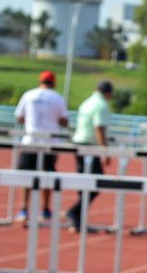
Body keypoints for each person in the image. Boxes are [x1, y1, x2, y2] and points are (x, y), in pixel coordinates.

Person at [13, 70, 69, 222]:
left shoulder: (29, 95)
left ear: (40, 81)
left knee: (27, 176)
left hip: (31, 140)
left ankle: (24, 209)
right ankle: (45, 209)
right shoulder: (58, 98)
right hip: (51, 143)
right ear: (54, 82)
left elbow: (19, 116)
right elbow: (64, 121)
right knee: (48, 176)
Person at [65, 80, 114, 233]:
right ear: (108, 93)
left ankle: (77, 221)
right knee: (96, 183)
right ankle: (74, 212)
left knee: (86, 183)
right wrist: (104, 151)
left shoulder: (87, 102)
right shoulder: (101, 105)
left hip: (79, 143)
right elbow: (99, 128)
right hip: (88, 146)